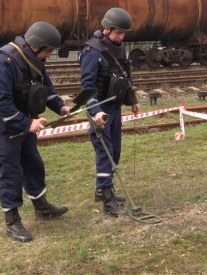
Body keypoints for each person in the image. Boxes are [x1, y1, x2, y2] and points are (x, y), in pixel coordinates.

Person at [0, 22, 71, 242]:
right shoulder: (5, 61)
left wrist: (61, 106)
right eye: (48, 50)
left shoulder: (35, 59)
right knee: (10, 171)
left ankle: (42, 207)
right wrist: (27, 124)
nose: (50, 55)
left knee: (33, 163)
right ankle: (12, 222)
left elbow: (45, 88)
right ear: (37, 45)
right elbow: (0, 102)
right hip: (2, 122)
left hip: (23, 117)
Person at [79, 7, 140, 217]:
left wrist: (133, 99)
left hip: (114, 106)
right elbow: (87, 88)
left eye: (124, 33)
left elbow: (125, 74)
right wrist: (95, 112)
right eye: (119, 33)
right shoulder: (91, 52)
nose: (122, 37)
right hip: (100, 110)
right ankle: (107, 199)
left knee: (115, 152)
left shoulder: (118, 47)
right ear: (107, 30)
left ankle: (103, 188)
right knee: (105, 153)